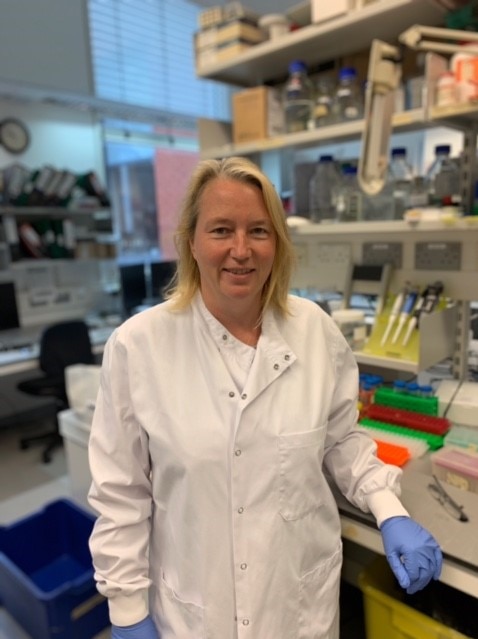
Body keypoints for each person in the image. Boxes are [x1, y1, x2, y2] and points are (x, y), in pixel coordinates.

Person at [88, 156, 442, 639]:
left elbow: (341, 440)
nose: (241, 250)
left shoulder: (314, 330)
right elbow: (121, 494)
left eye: (258, 230)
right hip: (194, 616)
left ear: (277, 242)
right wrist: (127, 610)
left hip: (296, 611)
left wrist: (389, 509)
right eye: (220, 230)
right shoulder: (138, 346)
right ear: (190, 241)